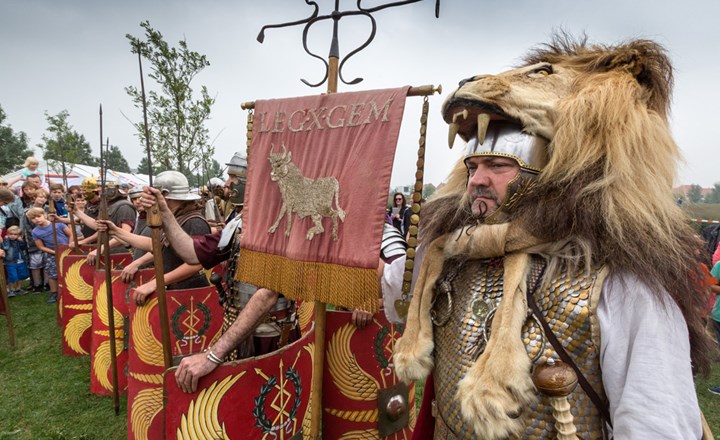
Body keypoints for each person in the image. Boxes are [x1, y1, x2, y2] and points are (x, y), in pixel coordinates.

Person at [392, 37, 710, 439]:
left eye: (496, 165)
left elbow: (655, 421)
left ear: (544, 171)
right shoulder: (451, 255)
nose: (477, 181)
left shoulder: (617, 282)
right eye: (472, 166)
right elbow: (393, 295)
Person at [97, 170, 209, 304]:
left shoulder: (194, 221)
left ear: (165, 195)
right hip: (175, 290)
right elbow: (155, 244)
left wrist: (156, 283)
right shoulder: (176, 218)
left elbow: (196, 264)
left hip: (190, 293)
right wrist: (116, 231)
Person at [27, 207, 71, 303]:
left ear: (45, 215)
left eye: (38, 216)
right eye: (33, 218)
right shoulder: (35, 232)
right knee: (52, 274)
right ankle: (54, 293)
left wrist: (70, 246)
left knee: (69, 271)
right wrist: (54, 252)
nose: (36, 219)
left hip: (68, 251)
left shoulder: (58, 224)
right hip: (52, 254)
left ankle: (70, 291)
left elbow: (71, 234)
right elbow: (41, 247)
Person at [2, 225, 29, 297]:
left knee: (22, 275)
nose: (13, 236)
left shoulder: (18, 241)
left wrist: (21, 241)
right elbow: (6, 247)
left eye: (15, 234)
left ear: (18, 235)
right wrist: (7, 240)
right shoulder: (6, 241)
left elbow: (23, 248)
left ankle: (18, 288)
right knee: (12, 276)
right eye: (11, 234)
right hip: (10, 262)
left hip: (20, 261)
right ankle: (11, 290)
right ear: (7, 234)